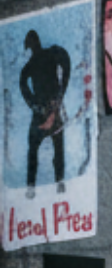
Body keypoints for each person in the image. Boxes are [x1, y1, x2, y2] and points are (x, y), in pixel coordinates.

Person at [20, 27, 71, 199]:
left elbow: (23, 84)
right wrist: (59, 95)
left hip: (46, 108)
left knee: (49, 146)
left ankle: (42, 184)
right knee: (45, 146)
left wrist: (37, 104)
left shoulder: (43, 58)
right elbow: (23, 85)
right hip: (46, 109)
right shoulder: (44, 57)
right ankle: (50, 183)